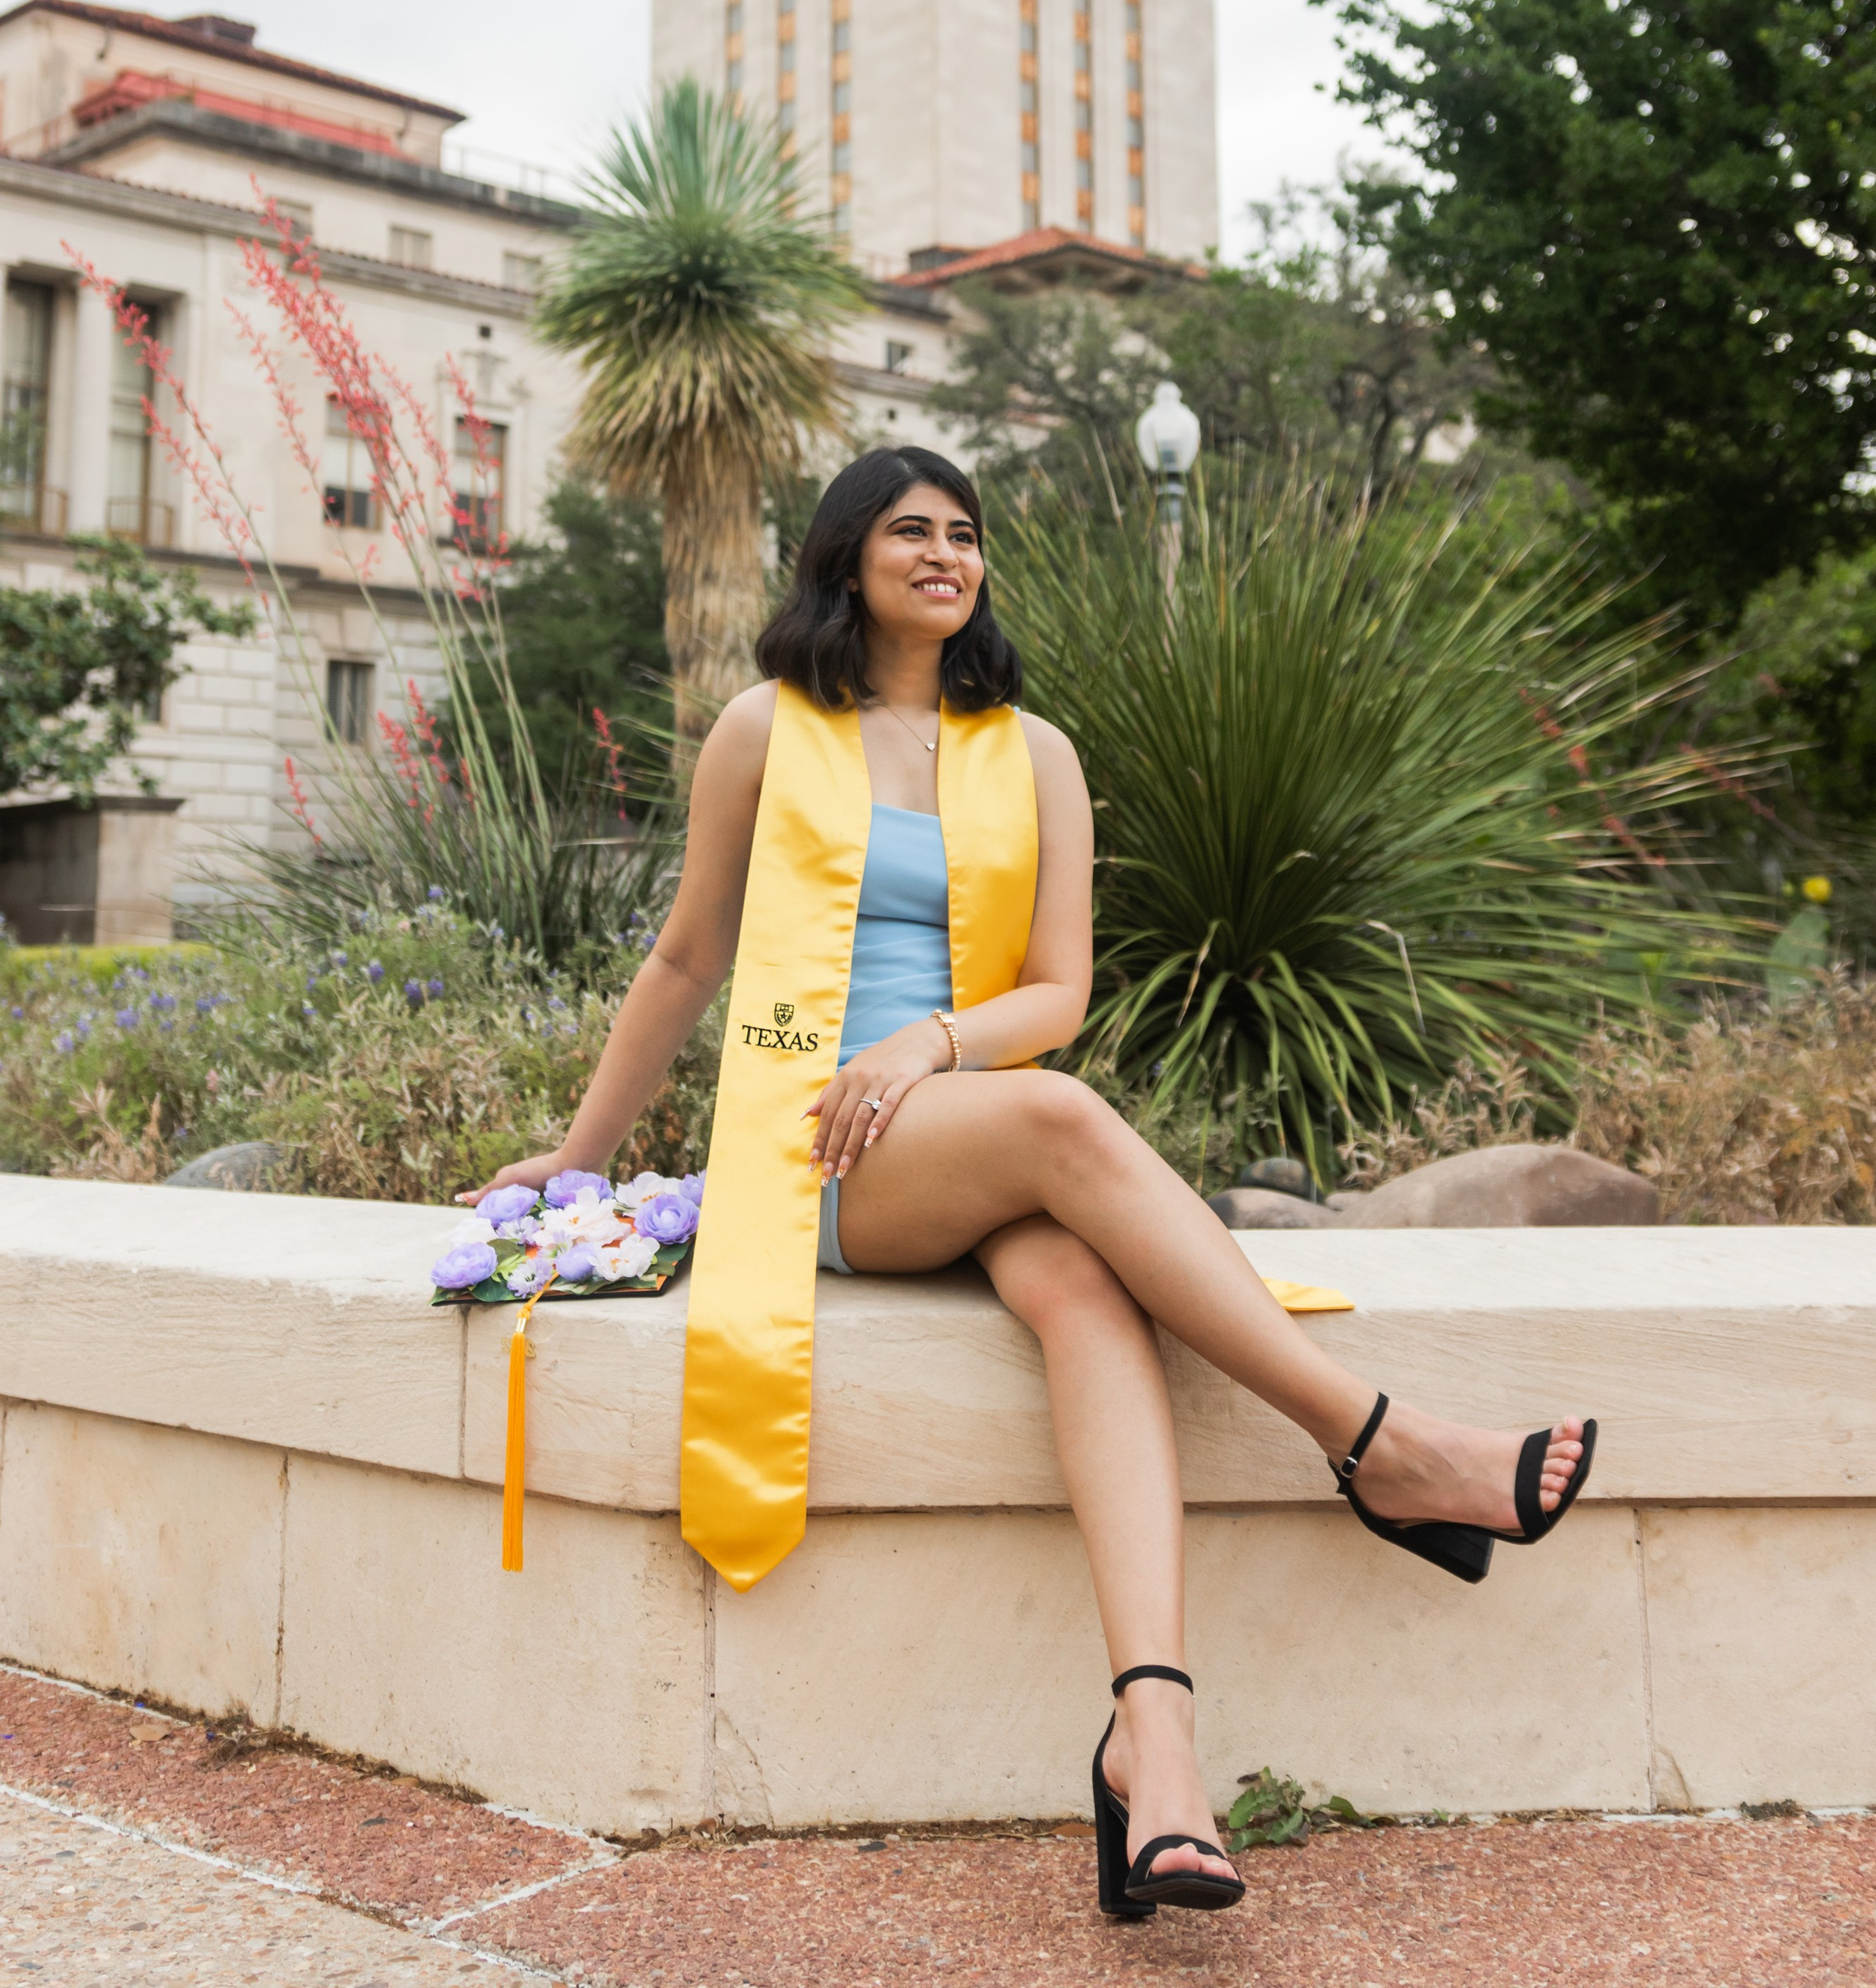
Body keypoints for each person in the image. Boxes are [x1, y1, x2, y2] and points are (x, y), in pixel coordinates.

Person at [464, 447, 1594, 1920]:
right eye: (908, 532)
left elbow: (1052, 992)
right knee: (1060, 1126)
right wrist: (585, 1156)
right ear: (846, 561)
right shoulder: (763, 729)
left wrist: (929, 1042)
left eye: (965, 534)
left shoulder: (1031, 753)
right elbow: (686, 958)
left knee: (1085, 1300)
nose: (944, 554)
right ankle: (1377, 1445)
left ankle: (1155, 1751)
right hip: (812, 1144)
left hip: (959, 1125)